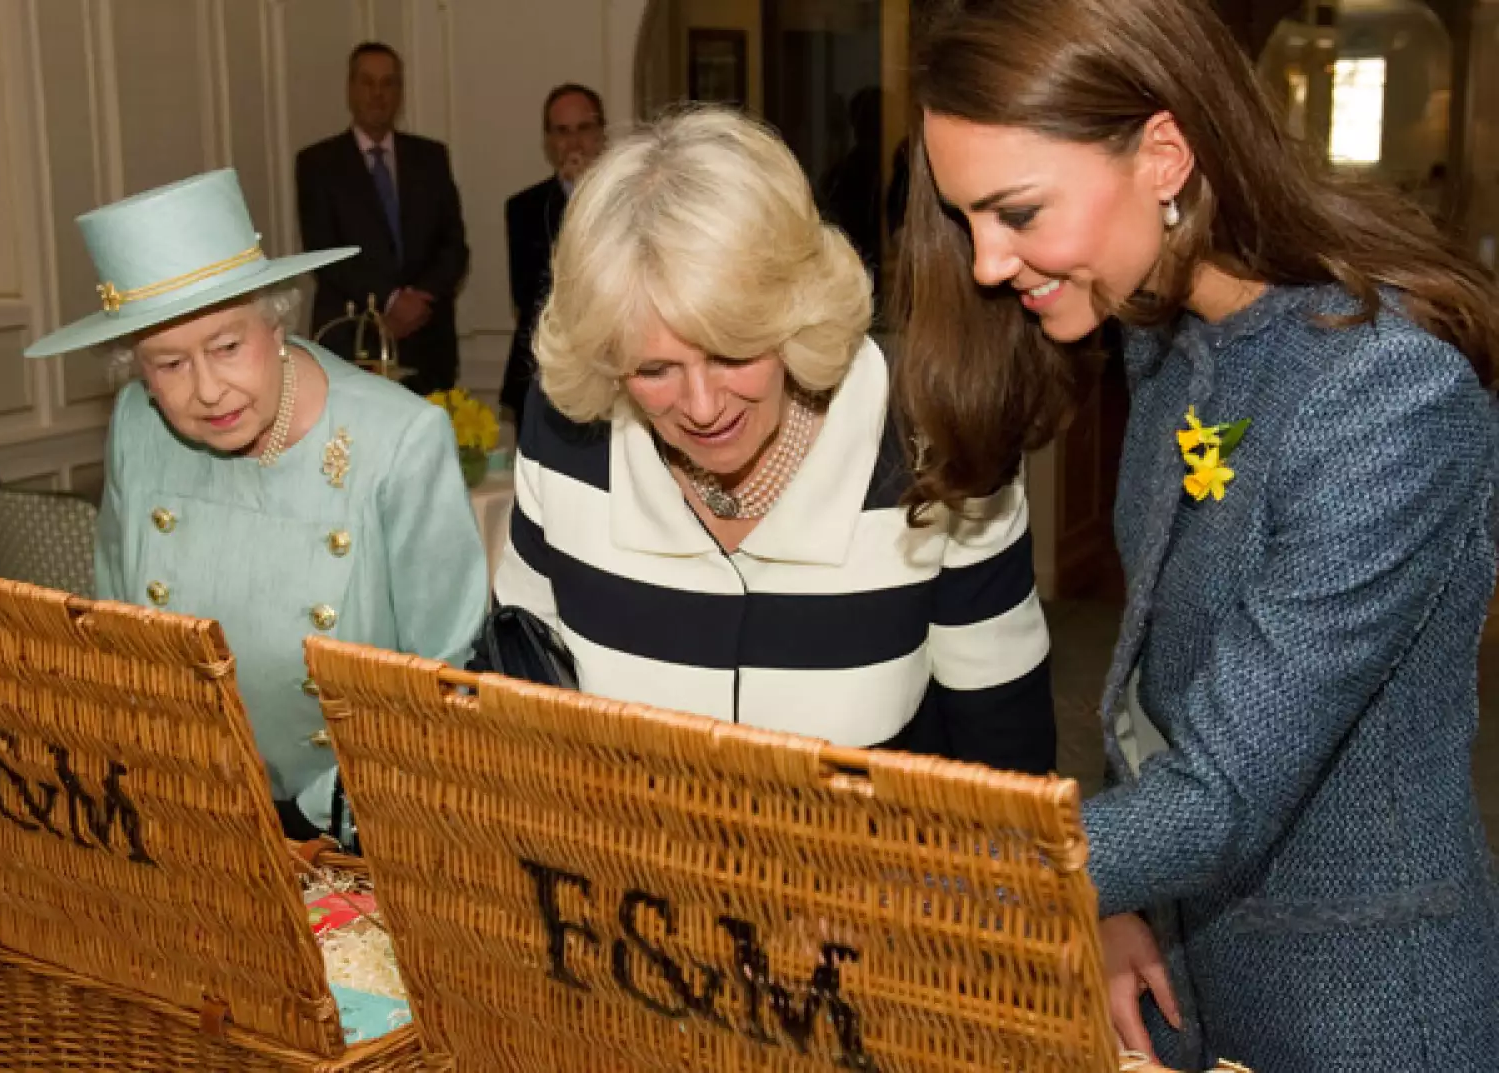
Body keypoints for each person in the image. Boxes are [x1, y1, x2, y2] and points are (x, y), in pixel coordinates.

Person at [894, 0, 1499, 1068]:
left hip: (1359, 1011)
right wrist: (1118, 897)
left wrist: (933, 882)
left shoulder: (1384, 392)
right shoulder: (1167, 336)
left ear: (1163, 155)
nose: (987, 261)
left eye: (1017, 211)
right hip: (1184, 965)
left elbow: (1221, 787)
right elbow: (1152, 693)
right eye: (967, 219)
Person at [492, 108, 1055, 773]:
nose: (701, 407)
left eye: (732, 353)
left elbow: (1007, 769)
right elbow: (517, 705)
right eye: (653, 369)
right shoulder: (566, 437)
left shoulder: (941, 440)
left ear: (795, 310)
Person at [24, 169, 489, 849]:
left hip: (357, 831)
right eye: (169, 364)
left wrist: (308, 817)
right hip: (193, 810)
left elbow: (446, 689)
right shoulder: (137, 425)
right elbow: (119, 635)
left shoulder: (399, 440)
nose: (209, 390)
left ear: (276, 321)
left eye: (227, 346)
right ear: (137, 370)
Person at [296, 41, 469, 393]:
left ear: (400, 92)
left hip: (428, 341)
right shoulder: (318, 164)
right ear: (350, 89)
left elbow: (454, 246)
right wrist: (390, 299)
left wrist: (419, 299)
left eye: (389, 83)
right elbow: (324, 252)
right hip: (353, 338)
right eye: (368, 82)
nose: (378, 94)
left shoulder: (431, 157)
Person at [501, 84, 609, 430]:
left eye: (584, 129)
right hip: (542, 376)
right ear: (548, 141)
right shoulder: (525, 209)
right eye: (562, 132)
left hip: (611, 374)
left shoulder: (624, 201)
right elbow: (527, 295)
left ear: (601, 134)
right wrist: (570, 203)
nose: (574, 142)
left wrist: (587, 196)